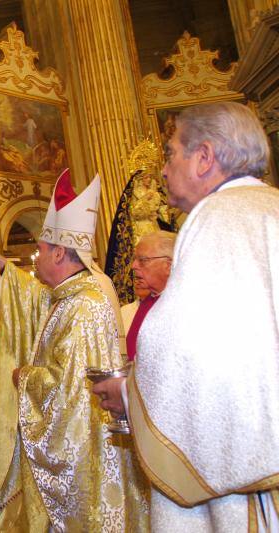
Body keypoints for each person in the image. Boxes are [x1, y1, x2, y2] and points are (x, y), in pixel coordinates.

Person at [93, 101, 279, 531]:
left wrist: (127, 394)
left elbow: (186, 345)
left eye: (171, 153)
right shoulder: (269, 206)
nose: (163, 170)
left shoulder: (217, 217)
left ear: (205, 157)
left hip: (246, 486)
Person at [0, 169, 149, 532]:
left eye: (38, 251)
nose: (34, 259)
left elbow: (69, 389)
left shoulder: (83, 305)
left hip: (85, 452)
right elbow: (31, 295)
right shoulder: (68, 296)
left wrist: (24, 377)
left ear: (58, 253)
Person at [121, 230, 176, 360]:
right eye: (135, 259)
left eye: (143, 260)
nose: (133, 266)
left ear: (168, 266)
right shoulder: (148, 301)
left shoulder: (181, 304)